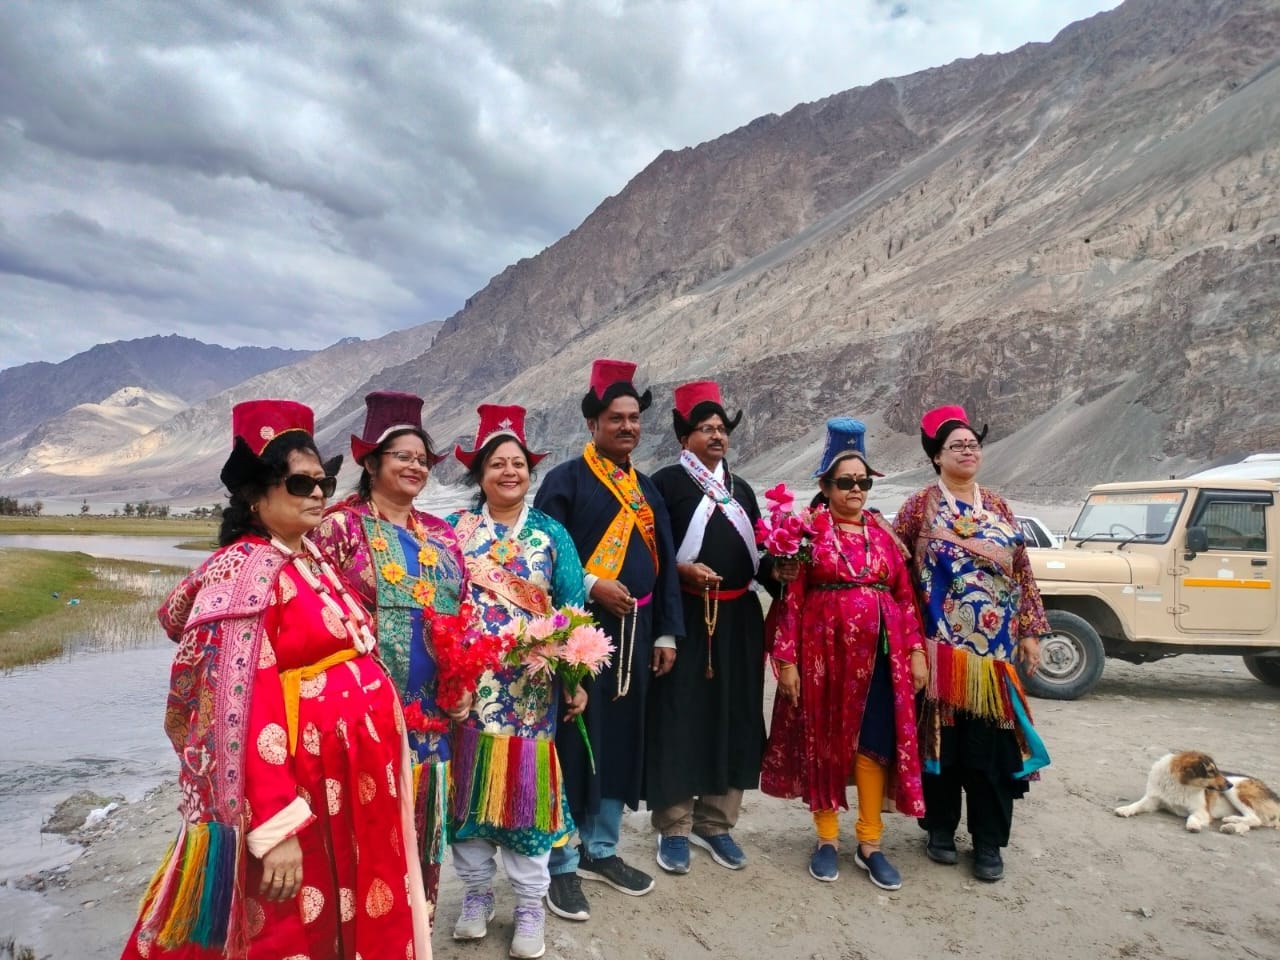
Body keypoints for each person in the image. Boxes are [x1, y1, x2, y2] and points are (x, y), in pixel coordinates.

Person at [120, 399, 430, 960]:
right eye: (300, 482)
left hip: (345, 783)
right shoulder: (243, 573)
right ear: (255, 497)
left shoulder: (306, 558)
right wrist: (274, 827)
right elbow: (238, 711)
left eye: (325, 480)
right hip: (300, 792)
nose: (318, 492)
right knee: (286, 924)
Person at [309, 390, 472, 919]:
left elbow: (460, 617)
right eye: (402, 454)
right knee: (366, 839)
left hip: (432, 726)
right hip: (362, 723)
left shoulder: (443, 536)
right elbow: (313, 616)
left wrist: (461, 680)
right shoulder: (338, 529)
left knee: (422, 836)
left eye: (423, 459)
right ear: (371, 461)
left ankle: (416, 931)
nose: (415, 465)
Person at [532, 358, 684, 921]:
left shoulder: (645, 490)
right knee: (575, 744)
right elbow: (540, 555)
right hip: (579, 637)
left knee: (621, 740)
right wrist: (593, 584)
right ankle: (561, 859)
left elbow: (665, 564)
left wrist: (666, 630)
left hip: (640, 634)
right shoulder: (565, 481)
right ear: (593, 423)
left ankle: (602, 848)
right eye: (616, 418)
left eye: (634, 418)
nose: (627, 427)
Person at [445, 404, 589, 959]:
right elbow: (440, 607)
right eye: (497, 464)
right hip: (470, 693)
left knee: (526, 800)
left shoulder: (552, 535)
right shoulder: (455, 532)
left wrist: (576, 678)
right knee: (470, 799)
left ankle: (531, 904)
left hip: (532, 696)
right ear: (479, 474)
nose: (510, 472)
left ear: (530, 471)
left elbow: (574, 611)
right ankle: (478, 895)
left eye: (518, 464)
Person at [760, 418, 928, 888]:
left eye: (864, 482)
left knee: (873, 744)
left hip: (881, 657)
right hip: (823, 654)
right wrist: (787, 661)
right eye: (846, 482)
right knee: (826, 742)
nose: (856, 490)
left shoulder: (884, 536)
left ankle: (870, 843)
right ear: (825, 486)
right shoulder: (807, 535)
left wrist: (915, 651)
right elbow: (790, 600)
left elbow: (903, 597)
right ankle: (828, 839)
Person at [893, 404, 1050, 882]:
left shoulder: (999, 507)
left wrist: (1030, 631)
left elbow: (1021, 571)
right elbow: (897, 569)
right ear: (936, 456)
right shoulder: (919, 506)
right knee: (942, 746)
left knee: (990, 754)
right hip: (939, 652)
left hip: (994, 657)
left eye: (973, 444)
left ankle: (988, 843)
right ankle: (939, 830)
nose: (968, 451)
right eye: (956, 445)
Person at [646, 380, 795, 874]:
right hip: (687, 617)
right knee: (679, 715)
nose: (716, 436)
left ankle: (716, 823)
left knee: (736, 714)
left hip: (737, 619)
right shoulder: (664, 484)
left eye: (721, 428)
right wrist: (683, 572)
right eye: (704, 428)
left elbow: (757, 561)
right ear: (684, 437)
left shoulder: (742, 489)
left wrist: (781, 568)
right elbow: (654, 554)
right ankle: (673, 826)